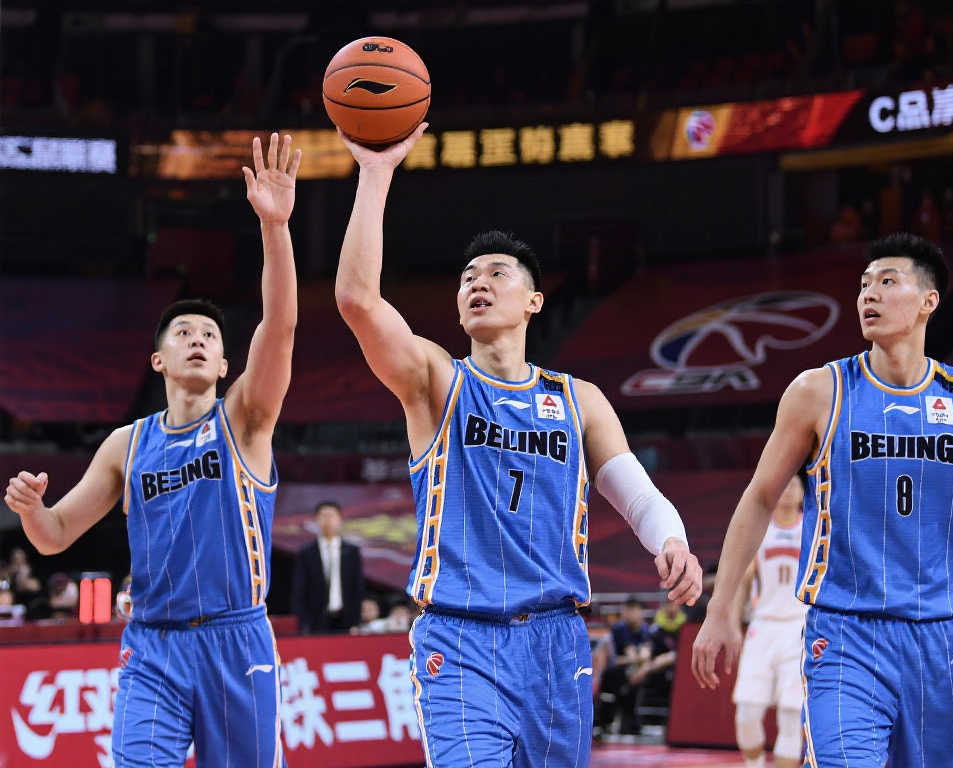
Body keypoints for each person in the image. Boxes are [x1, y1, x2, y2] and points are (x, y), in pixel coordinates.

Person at [334, 123, 702, 767]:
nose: (477, 282)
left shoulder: (579, 399)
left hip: (556, 643)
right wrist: (375, 173)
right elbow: (357, 301)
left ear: (534, 301)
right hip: (460, 638)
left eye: (496, 272)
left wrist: (671, 539)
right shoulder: (436, 381)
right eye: (467, 277)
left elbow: (637, 496)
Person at [4, 132, 302, 767]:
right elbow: (55, 536)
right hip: (153, 647)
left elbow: (279, 327)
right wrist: (32, 510)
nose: (197, 339)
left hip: (235, 640)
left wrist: (275, 228)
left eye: (210, 335)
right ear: (158, 360)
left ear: (224, 364)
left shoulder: (246, 420)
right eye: (183, 332)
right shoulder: (127, 444)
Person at [693, 233, 953, 767]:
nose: (869, 294)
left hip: (942, 637)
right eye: (864, 284)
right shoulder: (818, 391)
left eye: (887, 282)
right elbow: (758, 498)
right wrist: (721, 609)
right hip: (845, 636)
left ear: (929, 301)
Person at [729, 474, 806, 768]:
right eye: (783, 485)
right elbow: (743, 582)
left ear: (803, 493)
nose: (787, 490)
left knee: (791, 714)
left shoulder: (812, 528)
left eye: (794, 485)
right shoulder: (761, 529)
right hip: (763, 625)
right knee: (746, 713)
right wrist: (733, 624)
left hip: (799, 626)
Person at [291, 500, 364, 633]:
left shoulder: (352, 552)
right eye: (323, 516)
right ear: (317, 520)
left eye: (332, 515)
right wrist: (305, 622)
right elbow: (299, 589)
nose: (328, 520)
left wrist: (356, 621)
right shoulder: (306, 553)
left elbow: (357, 587)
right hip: (316, 621)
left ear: (339, 520)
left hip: (346, 619)